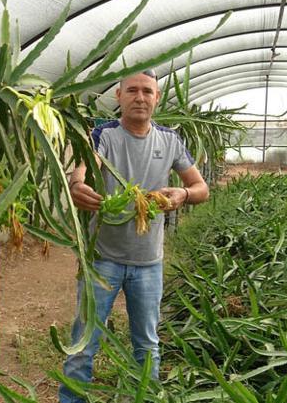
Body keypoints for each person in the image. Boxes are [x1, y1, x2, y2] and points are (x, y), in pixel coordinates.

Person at [59, 70, 209, 403]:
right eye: (132, 91)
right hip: (102, 261)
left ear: (156, 98)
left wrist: (184, 194)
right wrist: (77, 187)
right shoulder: (101, 136)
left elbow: (202, 188)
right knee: (83, 345)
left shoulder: (170, 140)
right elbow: (81, 172)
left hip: (148, 263)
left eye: (147, 91)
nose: (140, 97)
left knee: (147, 345)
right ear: (119, 96)